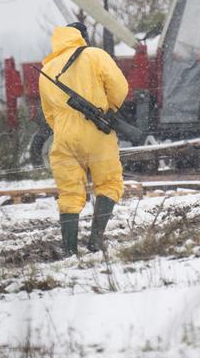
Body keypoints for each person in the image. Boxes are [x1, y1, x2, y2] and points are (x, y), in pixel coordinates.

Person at [39, 22, 129, 257]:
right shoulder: (95, 55)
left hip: (63, 136)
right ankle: (96, 240)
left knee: (69, 192)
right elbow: (119, 87)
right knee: (109, 183)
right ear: (82, 37)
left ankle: (69, 249)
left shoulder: (47, 68)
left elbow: (48, 112)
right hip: (96, 131)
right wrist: (110, 109)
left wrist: (64, 128)